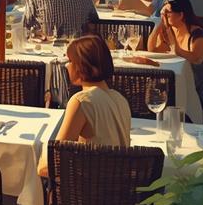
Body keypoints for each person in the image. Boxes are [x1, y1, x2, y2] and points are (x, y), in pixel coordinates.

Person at [37, 36, 132, 178]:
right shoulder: (121, 100)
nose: (67, 66)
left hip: (84, 194)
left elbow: (49, 166)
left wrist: (43, 145)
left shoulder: (82, 101)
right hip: (116, 189)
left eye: (70, 61)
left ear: (82, 65)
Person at [147, 0, 203, 107]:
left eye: (167, 13)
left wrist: (173, 43)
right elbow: (153, 49)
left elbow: (195, 58)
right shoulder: (171, 31)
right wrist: (159, 24)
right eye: (163, 13)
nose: (165, 16)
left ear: (180, 15)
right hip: (183, 81)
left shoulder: (198, 34)